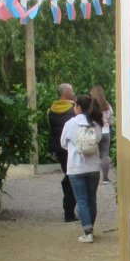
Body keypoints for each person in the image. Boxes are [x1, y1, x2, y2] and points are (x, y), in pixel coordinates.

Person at [60, 93, 105, 243]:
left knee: (81, 200)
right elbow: (98, 139)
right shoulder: (96, 123)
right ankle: (90, 227)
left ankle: (87, 232)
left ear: (78, 107)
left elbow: (63, 143)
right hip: (93, 167)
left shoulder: (70, 124)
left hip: (76, 167)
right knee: (92, 199)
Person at [46, 83, 78, 222]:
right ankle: (69, 211)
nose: (73, 92)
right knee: (72, 178)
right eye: (71, 90)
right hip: (72, 148)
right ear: (66, 93)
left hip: (60, 149)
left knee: (68, 175)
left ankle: (69, 210)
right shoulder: (74, 109)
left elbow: (51, 129)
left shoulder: (51, 110)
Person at [89, 84, 114, 183]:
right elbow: (111, 120)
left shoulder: (90, 106)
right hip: (106, 132)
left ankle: (93, 178)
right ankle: (105, 178)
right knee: (104, 155)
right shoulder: (107, 105)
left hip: (94, 132)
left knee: (93, 155)